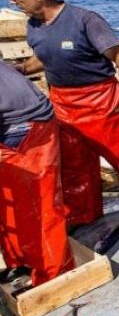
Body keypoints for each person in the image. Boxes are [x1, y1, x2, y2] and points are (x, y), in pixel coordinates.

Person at [1, 0, 119, 231]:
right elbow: (44, 56)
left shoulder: (85, 20)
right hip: (62, 103)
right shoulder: (34, 26)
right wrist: (22, 69)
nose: (12, 2)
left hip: (101, 101)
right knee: (75, 166)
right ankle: (84, 214)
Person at [0, 61, 74, 286]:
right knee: (9, 203)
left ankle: (54, 275)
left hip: (26, 127)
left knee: (39, 205)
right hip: (12, 119)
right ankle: (21, 261)